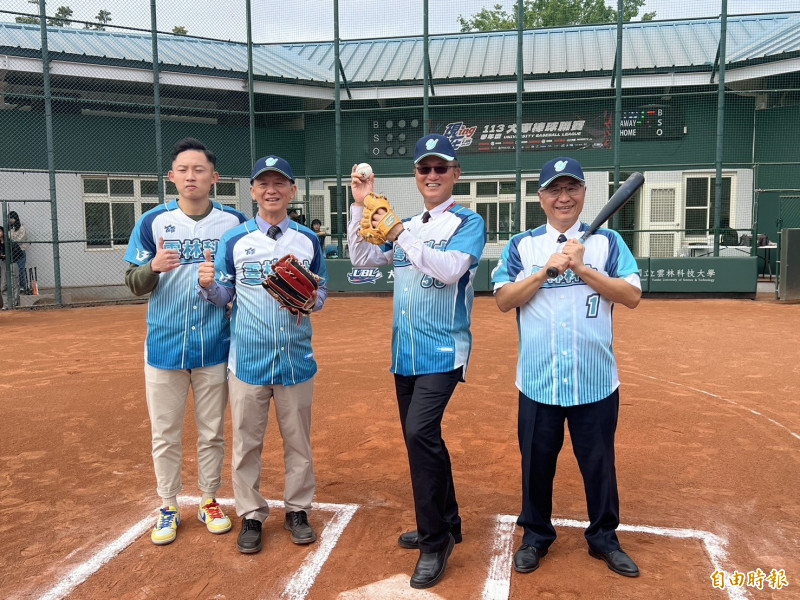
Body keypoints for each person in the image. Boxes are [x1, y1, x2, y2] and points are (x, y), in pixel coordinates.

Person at [491, 157, 642, 578]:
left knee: (599, 465)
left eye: (571, 188)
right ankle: (535, 536)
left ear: (583, 194)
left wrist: (581, 267)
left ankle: (604, 538)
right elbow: (503, 300)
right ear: (540, 197)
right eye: (554, 190)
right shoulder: (522, 246)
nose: (563, 197)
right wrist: (545, 271)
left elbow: (631, 296)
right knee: (536, 465)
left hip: (595, 381)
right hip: (538, 381)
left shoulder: (608, 242)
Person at [348, 134, 486, 589]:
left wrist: (399, 234)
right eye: (424, 168)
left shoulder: (468, 221)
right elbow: (362, 257)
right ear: (416, 176)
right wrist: (360, 207)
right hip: (404, 353)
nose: (432, 175)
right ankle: (448, 521)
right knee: (422, 440)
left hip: (443, 350)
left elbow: (449, 270)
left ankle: (434, 542)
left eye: (440, 168)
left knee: (419, 433)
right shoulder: (405, 223)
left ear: (455, 174)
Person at [198, 155, 328, 554]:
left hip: (295, 360)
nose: (272, 190)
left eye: (279, 183)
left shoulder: (307, 240)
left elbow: (321, 290)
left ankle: (297, 510)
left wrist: (312, 300)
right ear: (253, 191)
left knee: (298, 442)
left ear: (292, 190)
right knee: (247, 443)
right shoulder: (235, 240)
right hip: (248, 362)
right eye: (263, 183)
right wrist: (208, 287)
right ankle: (251, 514)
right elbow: (225, 294)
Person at [124, 137, 246, 545]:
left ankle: (209, 499)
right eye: (183, 170)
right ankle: (168, 504)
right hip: (164, 345)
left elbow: (242, 281)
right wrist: (153, 267)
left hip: (214, 344)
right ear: (171, 177)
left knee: (212, 432)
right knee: (165, 433)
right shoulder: (152, 222)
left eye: (199, 169)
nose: (191, 176)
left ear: (214, 177)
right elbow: (133, 282)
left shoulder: (233, 223)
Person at [7, 211, 30, 295]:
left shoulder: (21, 228)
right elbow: (8, 238)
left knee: (21, 269)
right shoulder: (9, 228)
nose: (10, 220)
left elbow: (21, 239)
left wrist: (12, 240)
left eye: (12, 218)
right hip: (12, 251)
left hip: (20, 250)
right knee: (12, 270)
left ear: (16, 218)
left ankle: (23, 286)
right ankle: (15, 287)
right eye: (9, 218)